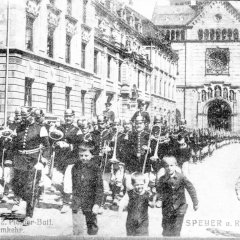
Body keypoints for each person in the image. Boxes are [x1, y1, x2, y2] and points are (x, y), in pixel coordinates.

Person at [6, 107, 50, 224]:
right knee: (16, 185)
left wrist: (43, 160)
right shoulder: (19, 127)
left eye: (25, 116)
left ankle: (29, 214)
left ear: (31, 115)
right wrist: (9, 159)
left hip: (33, 161)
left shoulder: (41, 128)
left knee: (31, 188)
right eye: (22, 116)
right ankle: (20, 201)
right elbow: (13, 145)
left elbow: (47, 146)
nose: (23, 118)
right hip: (19, 160)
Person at [156, 155, 199, 237]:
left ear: (175, 165)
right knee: (166, 229)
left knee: (176, 230)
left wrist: (195, 202)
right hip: (167, 208)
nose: (169, 168)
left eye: (171, 165)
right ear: (164, 167)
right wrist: (159, 200)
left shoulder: (181, 177)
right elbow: (159, 190)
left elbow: (191, 189)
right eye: (166, 166)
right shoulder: (162, 179)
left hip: (180, 208)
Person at [72, 141, 103, 235]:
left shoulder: (95, 169)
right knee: (77, 228)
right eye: (81, 155)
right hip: (77, 202)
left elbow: (99, 188)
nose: (83, 158)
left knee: (92, 227)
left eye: (86, 155)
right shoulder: (75, 167)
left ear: (92, 155)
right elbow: (75, 185)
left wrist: (97, 204)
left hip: (91, 202)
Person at [118, 172, 154, 236]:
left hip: (143, 222)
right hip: (131, 222)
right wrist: (120, 213)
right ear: (132, 184)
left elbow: (152, 204)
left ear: (144, 183)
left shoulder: (147, 194)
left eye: (141, 184)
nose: (139, 186)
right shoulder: (129, 194)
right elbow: (122, 203)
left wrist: (152, 202)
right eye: (137, 185)